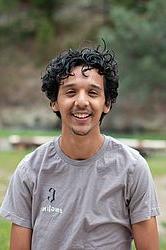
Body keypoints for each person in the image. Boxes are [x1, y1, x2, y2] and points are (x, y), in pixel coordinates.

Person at [0, 42, 160, 250]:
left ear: (107, 103)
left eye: (93, 93)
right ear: (54, 102)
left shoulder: (132, 168)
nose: (81, 101)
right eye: (70, 92)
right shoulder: (30, 170)